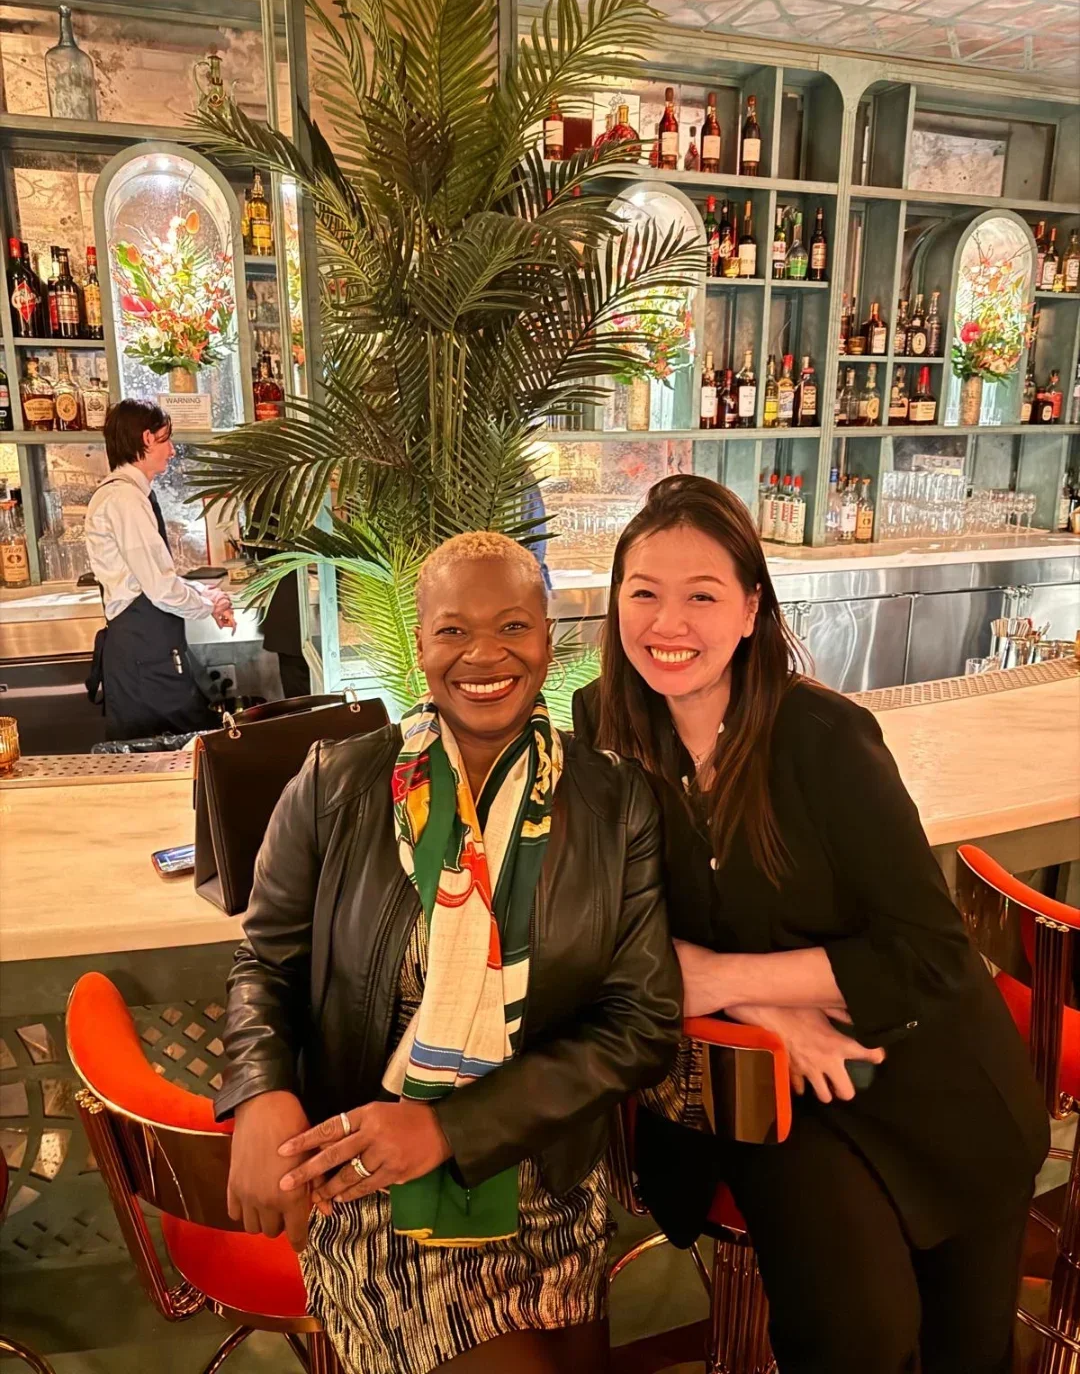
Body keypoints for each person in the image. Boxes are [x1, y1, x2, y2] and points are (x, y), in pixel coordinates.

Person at [573, 474, 1048, 1374]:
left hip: (923, 1069)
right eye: (644, 593)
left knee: (964, 1353)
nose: (668, 624)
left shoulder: (826, 740)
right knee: (855, 1338)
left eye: (702, 595)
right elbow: (604, 924)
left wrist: (718, 977)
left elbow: (930, 955)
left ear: (751, 609)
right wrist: (767, 1013)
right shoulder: (605, 726)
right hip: (771, 1089)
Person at [216, 530, 681, 1374]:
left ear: (549, 638)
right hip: (371, 1187)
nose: (484, 656)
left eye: (512, 627)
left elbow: (641, 1025)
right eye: (453, 631)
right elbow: (264, 966)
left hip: (547, 1178)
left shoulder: (617, 803)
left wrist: (448, 1127)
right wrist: (259, 1091)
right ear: (420, 644)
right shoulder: (334, 785)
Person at [84, 399, 234, 740]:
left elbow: (150, 577)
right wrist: (210, 605)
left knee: (177, 751)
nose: (171, 449)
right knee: (176, 755)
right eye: (166, 439)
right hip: (144, 660)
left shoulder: (129, 495)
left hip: (146, 652)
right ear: (147, 439)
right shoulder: (125, 500)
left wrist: (204, 594)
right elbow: (160, 588)